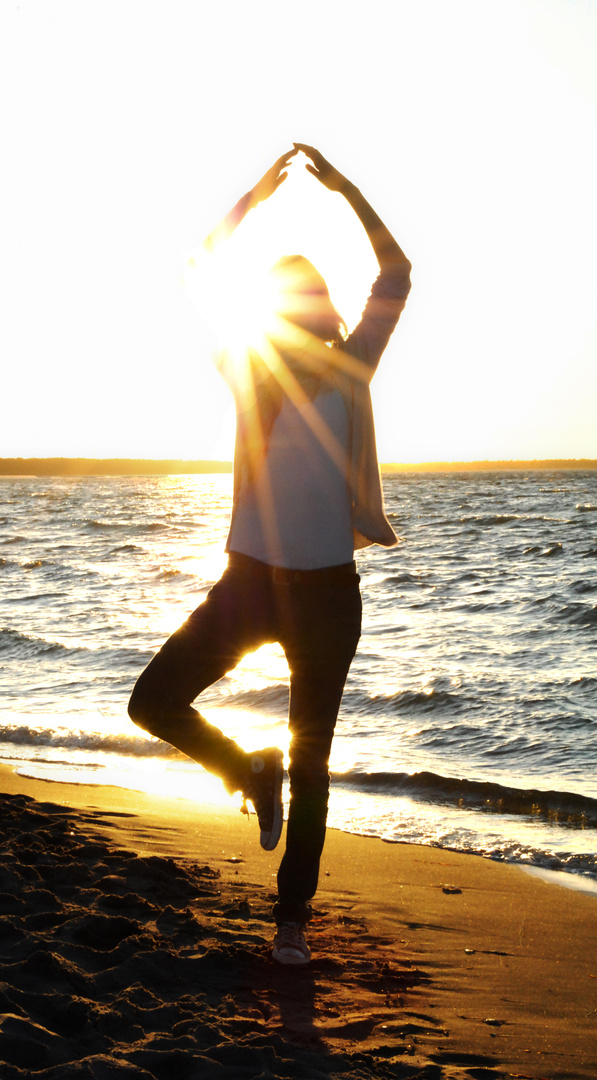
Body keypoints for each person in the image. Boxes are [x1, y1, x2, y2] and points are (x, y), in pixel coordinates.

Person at [129, 144, 411, 965]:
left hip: (327, 594)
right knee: (153, 702)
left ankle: (291, 918)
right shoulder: (245, 371)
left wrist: (348, 191)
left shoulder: (352, 367)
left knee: (313, 759)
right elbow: (197, 268)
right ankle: (249, 772)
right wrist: (251, 197)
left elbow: (395, 271)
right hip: (246, 584)